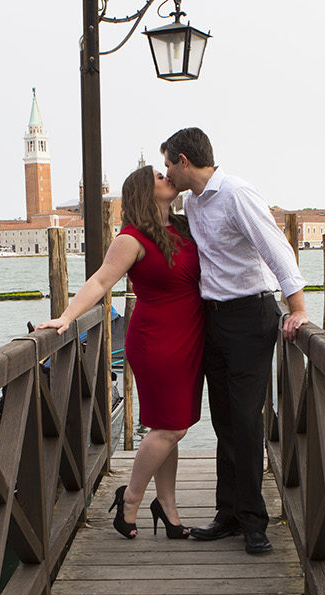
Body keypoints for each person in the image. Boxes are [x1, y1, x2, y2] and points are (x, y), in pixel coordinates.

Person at [161, 127, 309, 555]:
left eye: (170, 163)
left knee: (246, 421)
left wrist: (297, 308)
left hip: (251, 315)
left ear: (184, 161)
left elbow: (277, 250)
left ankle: (253, 521)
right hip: (214, 318)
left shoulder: (237, 193)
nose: (168, 172)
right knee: (224, 419)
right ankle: (227, 513)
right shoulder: (192, 202)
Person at [37, 165, 201, 540]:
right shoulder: (131, 238)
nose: (167, 178)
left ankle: (168, 507)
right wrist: (65, 317)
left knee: (168, 427)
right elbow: (100, 280)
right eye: (160, 176)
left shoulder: (182, 228)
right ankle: (130, 500)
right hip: (155, 340)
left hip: (189, 338)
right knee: (170, 427)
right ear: (145, 190)